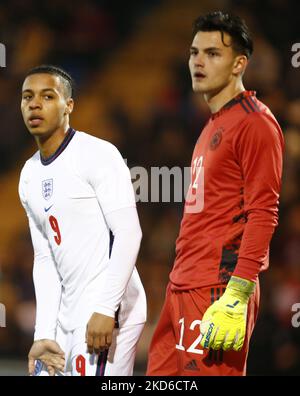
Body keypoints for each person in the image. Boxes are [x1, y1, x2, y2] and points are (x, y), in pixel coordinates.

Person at [146, 11, 284, 376]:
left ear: (240, 63)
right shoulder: (212, 125)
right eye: (194, 52)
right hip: (181, 286)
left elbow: (264, 212)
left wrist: (236, 294)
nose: (198, 61)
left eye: (212, 53)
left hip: (216, 290)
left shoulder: (255, 123)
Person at [18, 65, 146, 376]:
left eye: (48, 96)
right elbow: (45, 257)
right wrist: (43, 333)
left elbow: (129, 234)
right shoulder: (29, 174)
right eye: (27, 97)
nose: (34, 104)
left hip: (108, 305)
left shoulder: (97, 154)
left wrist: (105, 309)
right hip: (68, 310)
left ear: (69, 106)